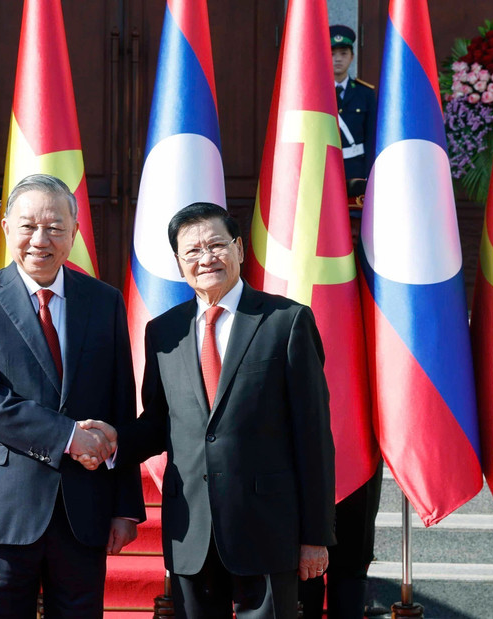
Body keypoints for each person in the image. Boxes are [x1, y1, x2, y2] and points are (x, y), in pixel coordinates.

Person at [85, 202, 336, 618]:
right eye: (193, 252)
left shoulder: (286, 322)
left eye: (216, 245)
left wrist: (315, 535)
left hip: (268, 527)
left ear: (238, 249)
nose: (206, 259)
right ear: (179, 264)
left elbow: (313, 437)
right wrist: (111, 444)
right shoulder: (163, 331)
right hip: (191, 529)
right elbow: (159, 422)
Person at [0, 173, 145, 618]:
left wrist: (126, 506)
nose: (41, 239)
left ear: (74, 233)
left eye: (55, 227)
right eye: (28, 226)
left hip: (84, 509)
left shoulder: (104, 301)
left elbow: (120, 403)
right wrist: (68, 437)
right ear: (5, 229)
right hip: (3, 508)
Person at [298, 200, 385, 619]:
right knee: (304, 571)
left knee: (351, 565)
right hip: (297, 446)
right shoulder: (292, 271)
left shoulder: (380, 286)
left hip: (358, 435)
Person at [330, 24, 376, 189]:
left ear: (352, 56)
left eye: (344, 53)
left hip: (356, 173)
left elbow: (371, 137)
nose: (338, 59)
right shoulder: (316, 93)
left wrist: (370, 174)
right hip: (325, 171)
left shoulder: (366, 93)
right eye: (332, 54)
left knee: (355, 215)